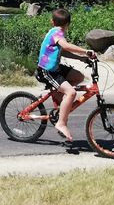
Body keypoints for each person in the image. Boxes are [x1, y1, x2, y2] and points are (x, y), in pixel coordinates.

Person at [35, 8, 95, 142]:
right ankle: (61, 123)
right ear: (68, 24)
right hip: (46, 71)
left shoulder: (55, 32)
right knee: (71, 93)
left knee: (78, 77)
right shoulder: (57, 34)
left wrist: (81, 58)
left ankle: (59, 93)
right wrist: (86, 52)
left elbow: (63, 51)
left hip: (55, 68)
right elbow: (66, 46)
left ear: (52, 22)